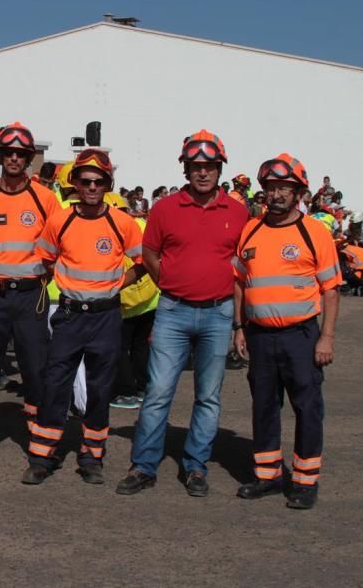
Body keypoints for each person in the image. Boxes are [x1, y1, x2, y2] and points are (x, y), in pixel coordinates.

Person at [116, 129, 248, 498]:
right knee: (158, 392)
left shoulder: (238, 212)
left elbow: (243, 265)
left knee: (208, 395)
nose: (202, 173)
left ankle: (195, 467)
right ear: (185, 169)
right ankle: (144, 465)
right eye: (195, 166)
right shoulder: (165, 209)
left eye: (209, 166)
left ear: (220, 169)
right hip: (172, 311)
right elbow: (151, 254)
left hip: (218, 313)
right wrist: (169, 284)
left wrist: (239, 321)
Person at [23, 148, 145, 486]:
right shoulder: (60, 220)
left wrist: (119, 284)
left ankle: (92, 456)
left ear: (108, 184)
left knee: (99, 388)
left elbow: (142, 262)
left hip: (106, 317)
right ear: (75, 183)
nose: (91, 187)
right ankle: (42, 457)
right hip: (69, 315)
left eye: (99, 181)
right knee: (55, 384)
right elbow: (45, 259)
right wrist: (68, 283)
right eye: (86, 181)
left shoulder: (123, 223)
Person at [232, 153, 341, 510]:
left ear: (299, 193)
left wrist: (326, 336)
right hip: (260, 336)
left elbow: (331, 289)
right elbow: (239, 281)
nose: (277, 194)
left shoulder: (315, 233)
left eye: (285, 188)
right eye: (271, 187)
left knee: (307, 406)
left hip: (301, 337)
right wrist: (239, 326)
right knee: (264, 406)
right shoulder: (252, 228)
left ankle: (305, 481)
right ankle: (268, 476)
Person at [0, 122, 60, 464]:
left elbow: (61, 241)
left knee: (35, 369)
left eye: (21, 153)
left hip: (31, 296)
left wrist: (45, 274)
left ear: (30, 158)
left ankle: (40, 439)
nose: (15, 159)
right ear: (0, 156)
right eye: (9, 153)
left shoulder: (45, 198)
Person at [108, 193, 160, 410]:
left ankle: (126, 392)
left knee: (120, 348)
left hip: (126, 301)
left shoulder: (108, 228)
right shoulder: (140, 223)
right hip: (149, 298)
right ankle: (144, 387)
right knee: (141, 347)